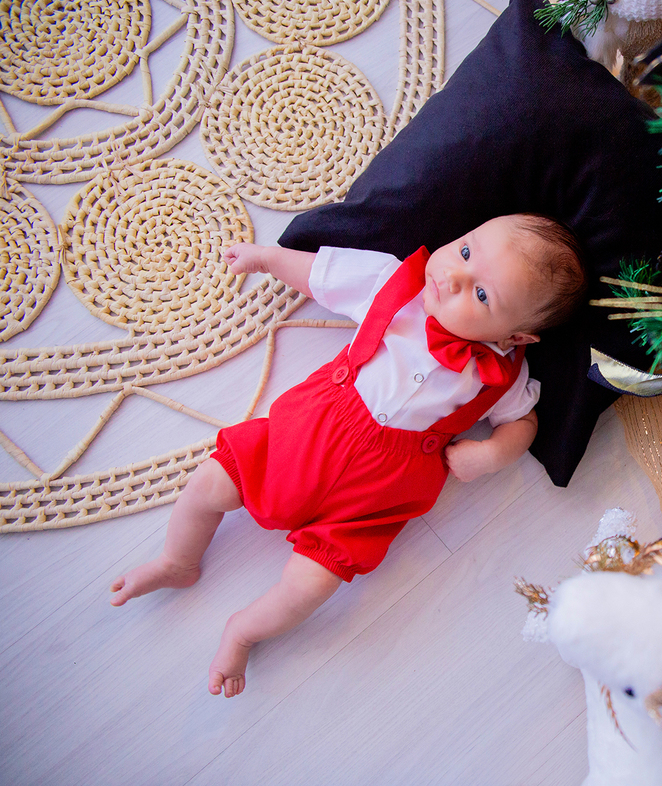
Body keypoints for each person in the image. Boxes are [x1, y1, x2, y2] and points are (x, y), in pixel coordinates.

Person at [109, 214, 587, 698]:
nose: (454, 277)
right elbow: (322, 275)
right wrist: (269, 259)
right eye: (464, 251)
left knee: (312, 587)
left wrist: (489, 456)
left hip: (368, 500)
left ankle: (244, 630)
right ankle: (177, 560)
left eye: (482, 296)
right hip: (303, 438)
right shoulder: (392, 286)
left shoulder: (501, 373)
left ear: (517, 337)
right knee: (209, 483)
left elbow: (523, 423)